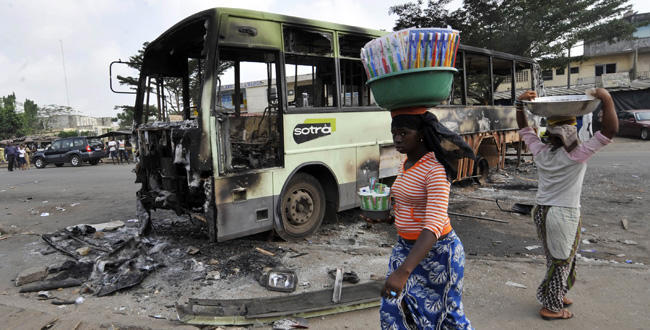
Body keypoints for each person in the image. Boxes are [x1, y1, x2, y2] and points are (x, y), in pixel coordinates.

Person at [367, 107, 474, 329]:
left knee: (447, 317)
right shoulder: (405, 164)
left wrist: (403, 272)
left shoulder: (435, 169)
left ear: (421, 134)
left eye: (404, 133)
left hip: (438, 254)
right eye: (394, 133)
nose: (397, 139)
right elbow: (410, 203)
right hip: (405, 247)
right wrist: (388, 218)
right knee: (393, 309)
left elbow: (434, 223)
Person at [516, 88, 618, 320]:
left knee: (559, 257)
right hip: (563, 214)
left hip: (542, 211)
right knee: (561, 260)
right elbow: (610, 131)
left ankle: (558, 292)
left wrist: (518, 104)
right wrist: (607, 99)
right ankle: (551, 307)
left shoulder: (540, 151)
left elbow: (523, 129)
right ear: (570, 131)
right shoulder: (577, 154)